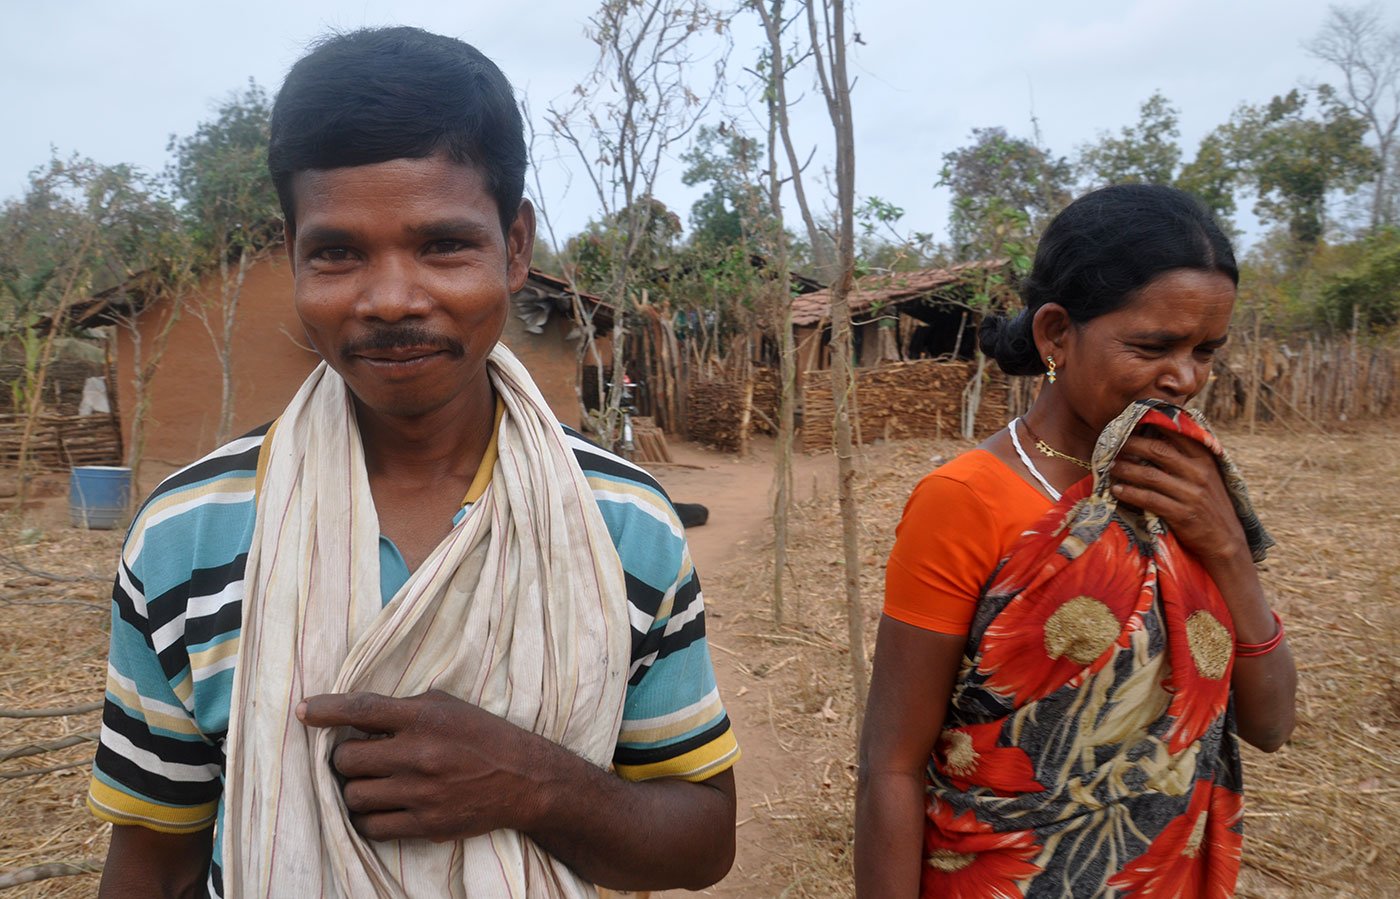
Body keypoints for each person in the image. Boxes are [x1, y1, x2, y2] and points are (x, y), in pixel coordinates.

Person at [88, 27, 737, 898]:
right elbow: (154, 857)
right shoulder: (186, 536)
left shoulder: (620, 521)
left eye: (442, 245)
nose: (391, 298)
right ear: (294, 256)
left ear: (514, 248)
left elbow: (700, 841)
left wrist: (533, 781)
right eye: (339, 252)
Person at [854, 184, 1297, 897]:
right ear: (1056, 332)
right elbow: (891, 765)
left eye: (1207, 350)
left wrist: (1229, 552)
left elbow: (1272, 724)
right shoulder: (965, 502)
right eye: (1154, 345)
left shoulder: (1194, 486)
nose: (1185, 377)